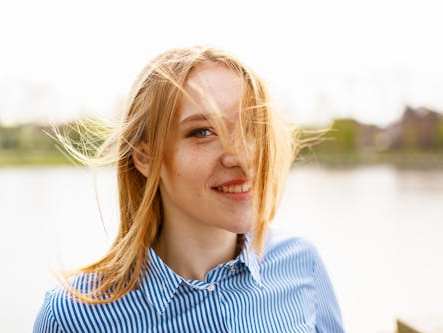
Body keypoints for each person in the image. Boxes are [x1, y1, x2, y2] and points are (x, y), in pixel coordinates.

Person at [34, 46, 344, 332]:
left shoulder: (302, 265)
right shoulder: (74, 318)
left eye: (251, 128)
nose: (241, 157)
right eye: (203, 132)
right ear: (145, 155)